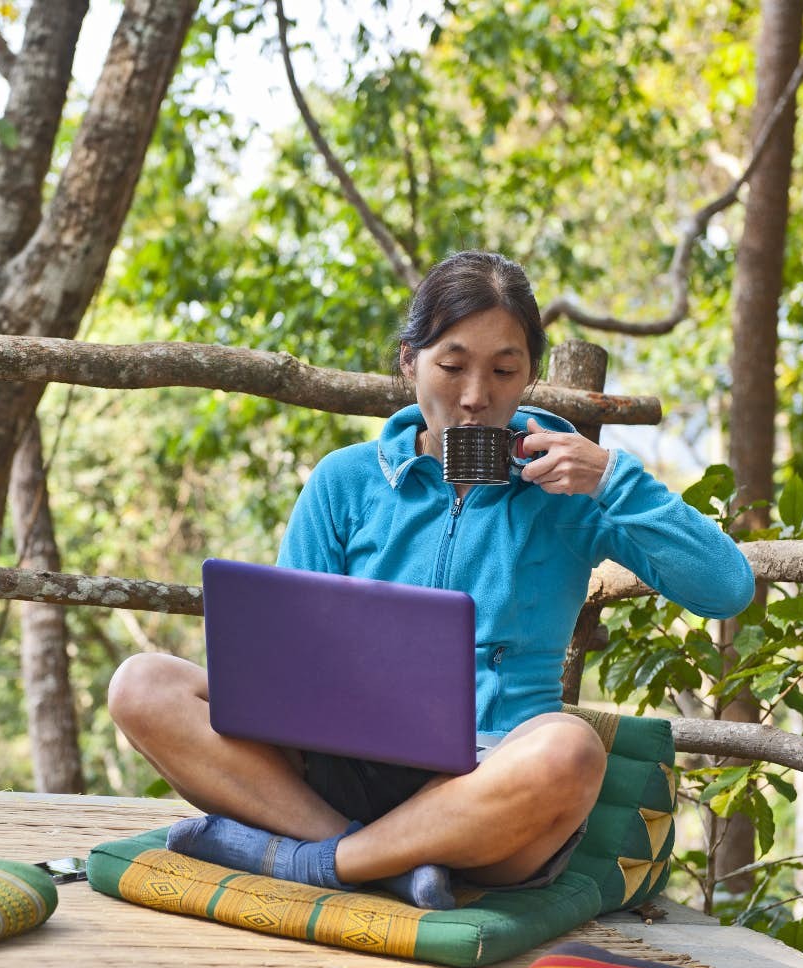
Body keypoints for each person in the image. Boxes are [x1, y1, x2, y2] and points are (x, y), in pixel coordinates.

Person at [107, 250, 755, 909]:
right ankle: (373, 862)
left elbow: (726, 588)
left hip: (489, 789)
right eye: (451, 366)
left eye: (505, 371)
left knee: (571, 751)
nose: (476, 396)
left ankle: (319, 860)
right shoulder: (346, 482)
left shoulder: (573, 489)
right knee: (142, 685)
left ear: (529, 375)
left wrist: (613, 477)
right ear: (409, 361)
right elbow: (288, 667)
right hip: (336, 769)